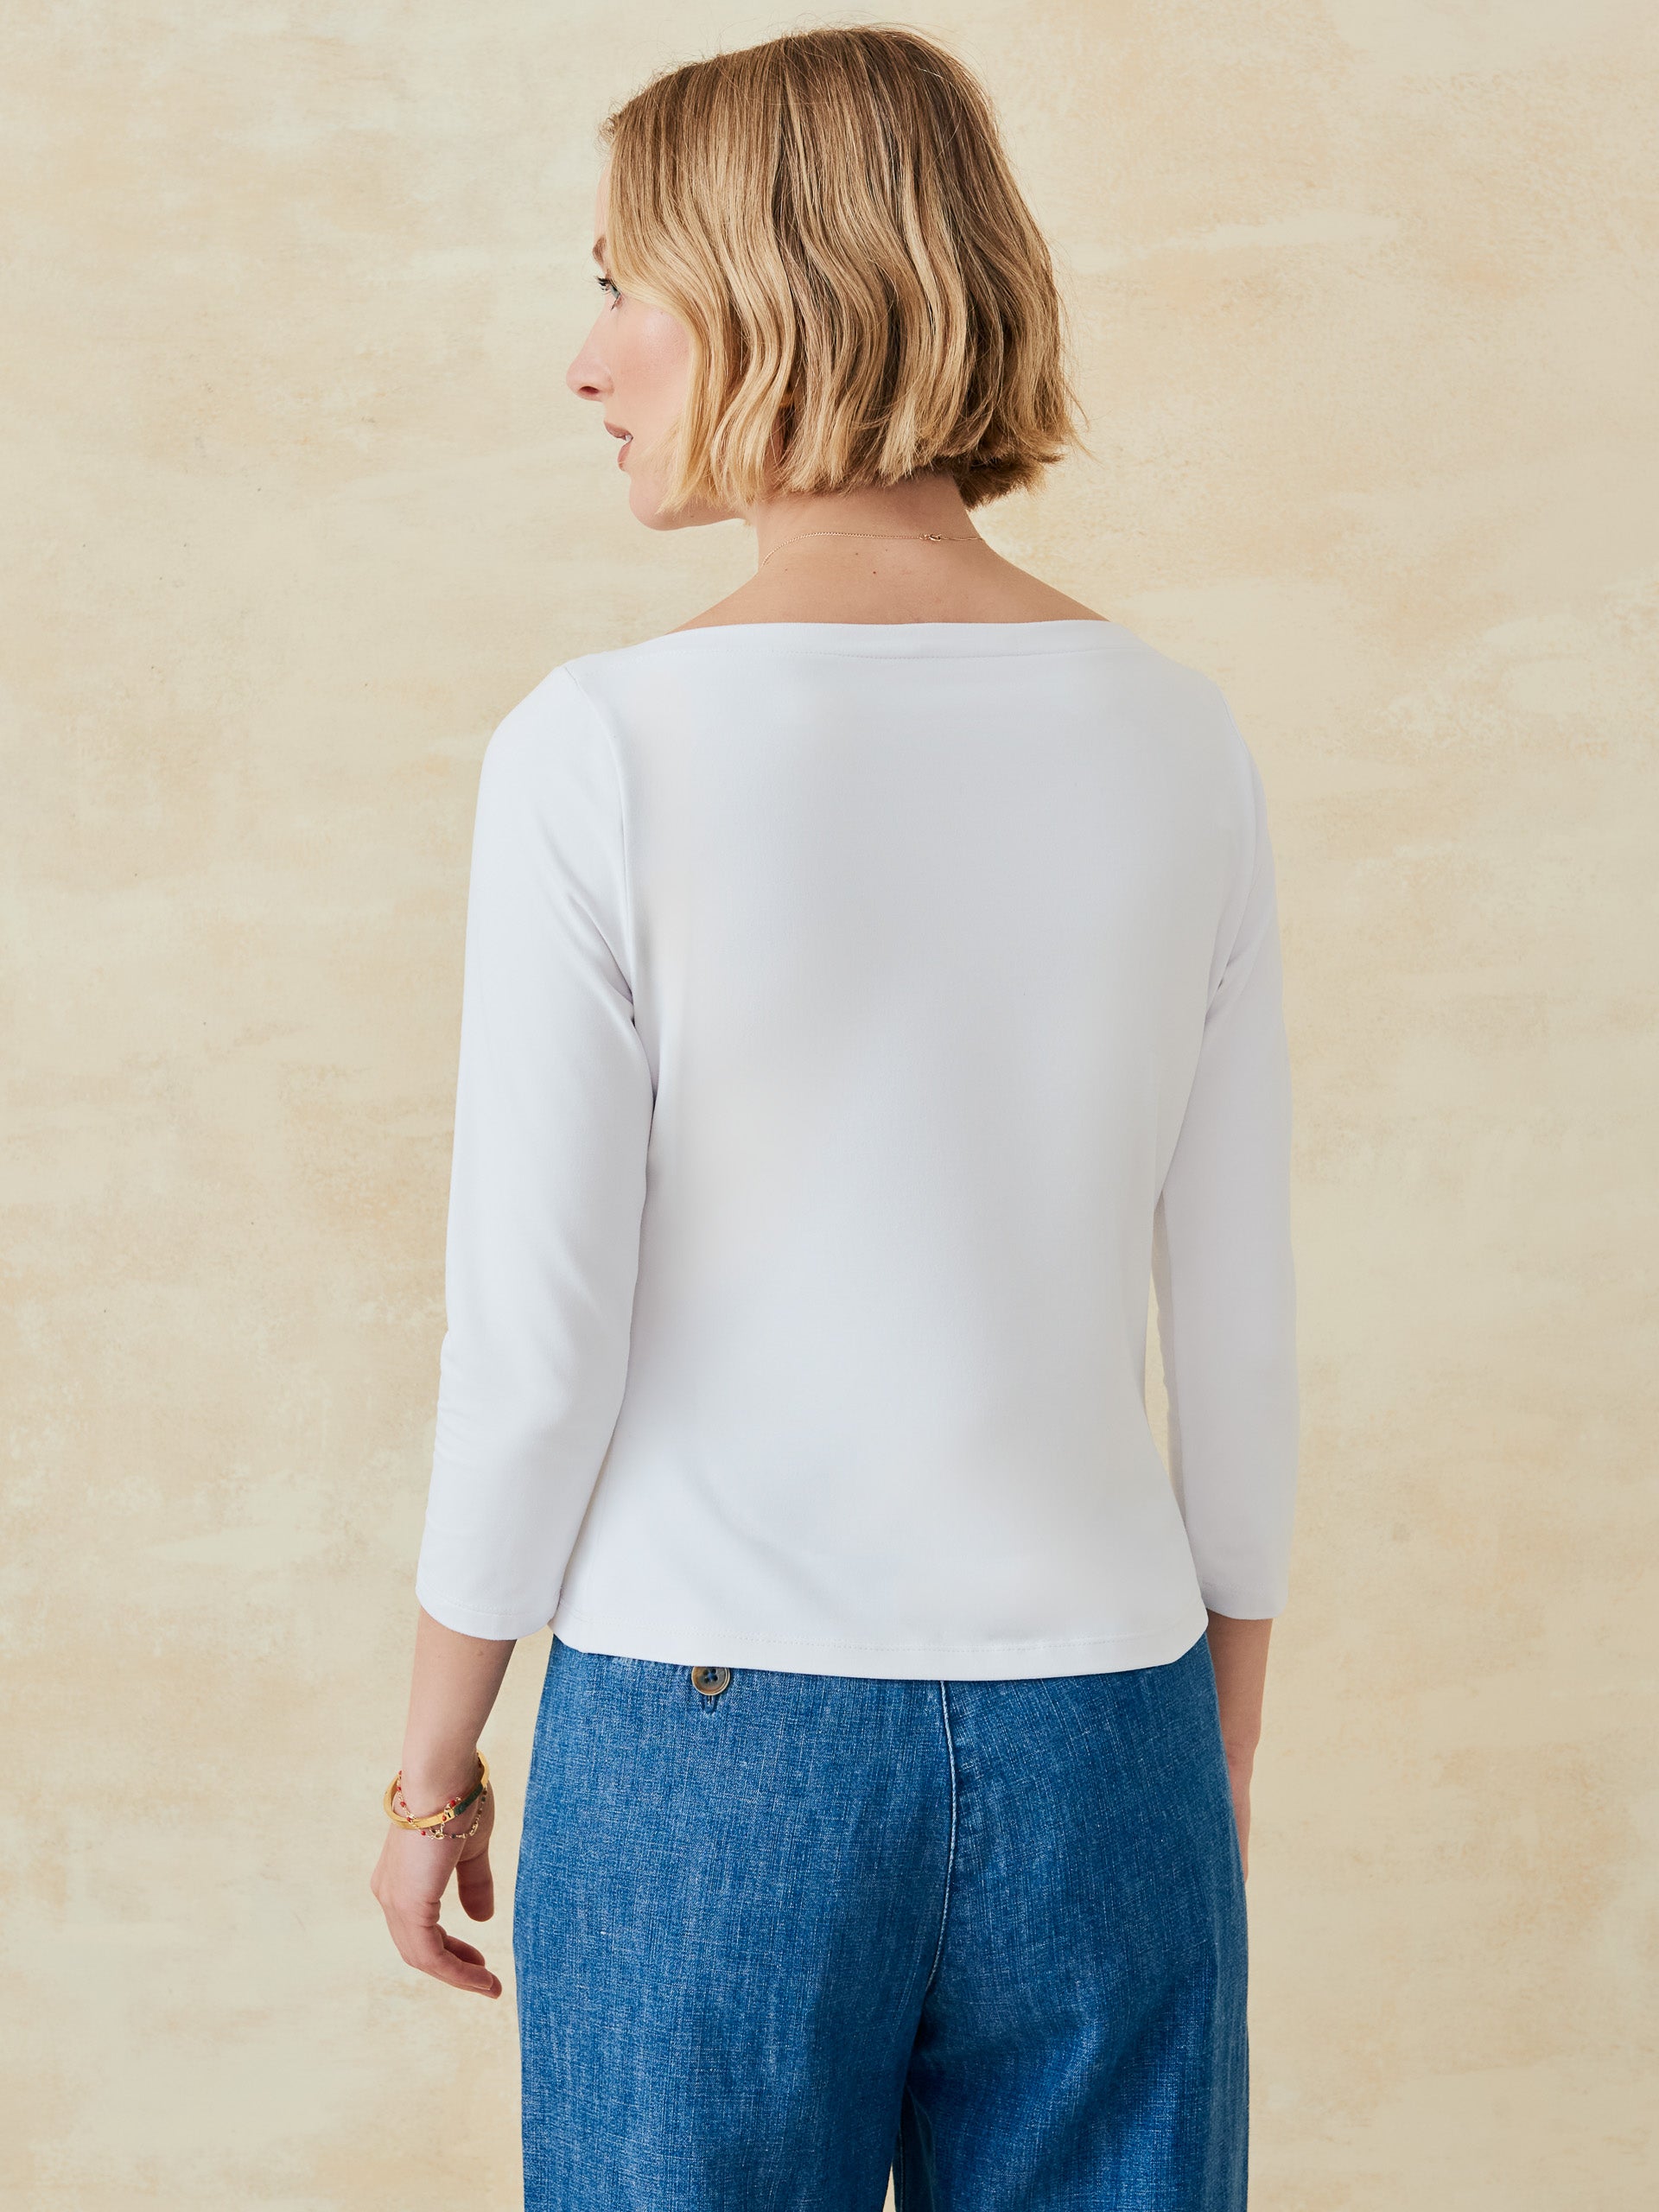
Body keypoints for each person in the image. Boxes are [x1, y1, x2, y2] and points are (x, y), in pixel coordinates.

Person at [370, 26, 1298, 2212]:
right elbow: (1239, 1326)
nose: (586, 359)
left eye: (623, 282)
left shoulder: (605, 747)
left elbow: (535, 1347)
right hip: (1111, 1714)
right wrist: (1208, 1755)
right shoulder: (1177, 737)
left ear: (772, 295)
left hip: (710, 1726)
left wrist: (432, 1770)